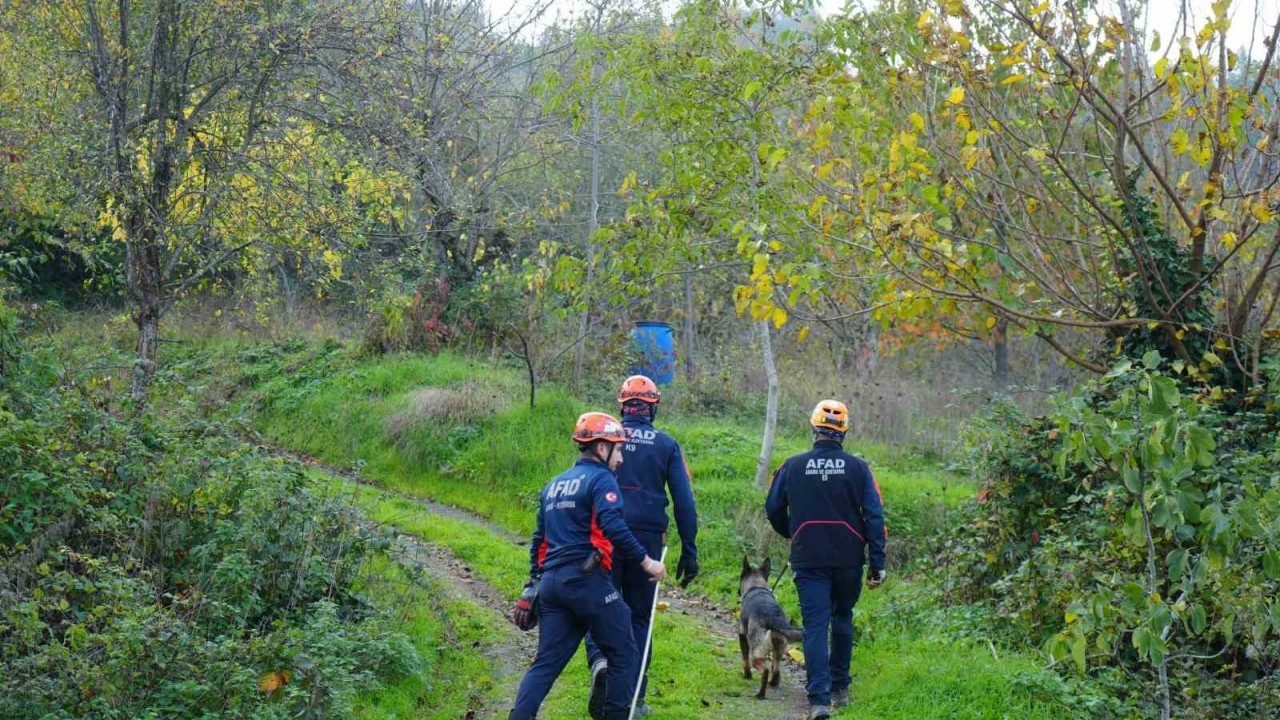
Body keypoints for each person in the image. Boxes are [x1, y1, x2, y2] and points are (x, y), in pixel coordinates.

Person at [507, 412, 668, 720]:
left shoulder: (553, 485)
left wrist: (532, 584)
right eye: (618, 449)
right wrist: (647, 562)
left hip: (552, 585)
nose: (621, 458)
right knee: (625, 653)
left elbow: (539, 542)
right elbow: (614, 525)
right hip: (587, 580)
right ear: (601, 448)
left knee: (545, 665)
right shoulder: (601, 479)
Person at [584, 375, 699, 718]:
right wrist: (689, 550)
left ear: (623, 405)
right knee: (639, 618)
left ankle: (601, 662)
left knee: (598, 607)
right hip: (648, 541)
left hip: (604, 534)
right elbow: (684, 501)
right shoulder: (666, 445)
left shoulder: (603, 439)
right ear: (652, 408)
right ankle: (635, 696)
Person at [764, 400, 887, 720]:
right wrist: (877, 562)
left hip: (808, 557)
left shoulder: (791, 466)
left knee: (815, 625)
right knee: (842, 617)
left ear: (813, 428)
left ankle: (819, 700)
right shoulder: (860, 469)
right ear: (843, 431)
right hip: (848, 558)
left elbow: (772, 508)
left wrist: (793, 532)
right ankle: (840, 688)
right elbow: (874, 516)